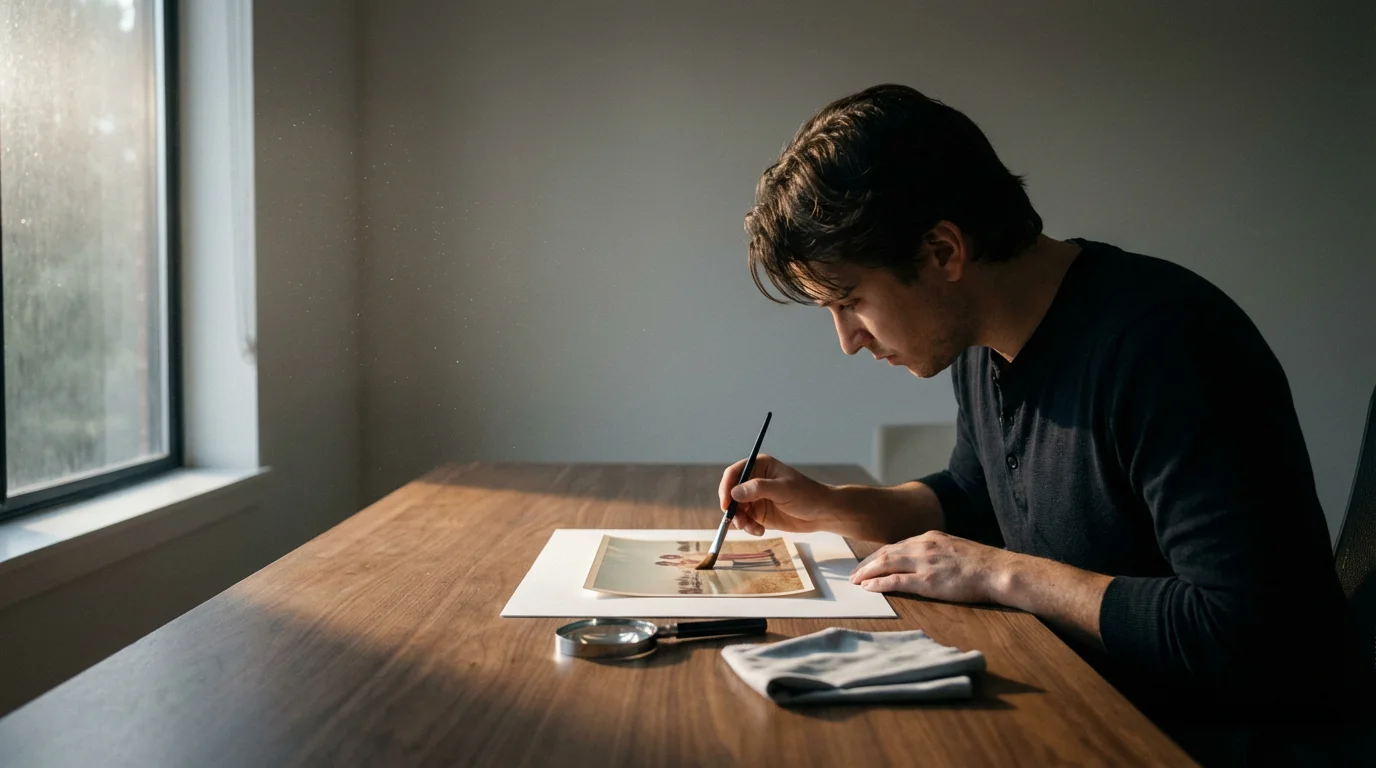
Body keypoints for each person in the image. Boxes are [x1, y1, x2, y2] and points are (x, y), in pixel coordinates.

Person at [720, 83, 1370, 765]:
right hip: (1087, 707)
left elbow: (1249, 636)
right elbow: (975, 497)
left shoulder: (1170, 346)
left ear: (944, 252)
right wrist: (830, 507)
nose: (848, 339)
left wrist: (1003, 575)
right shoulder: (984, 344)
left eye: (850, 301)